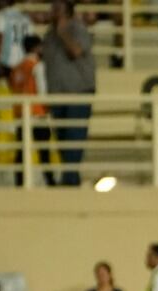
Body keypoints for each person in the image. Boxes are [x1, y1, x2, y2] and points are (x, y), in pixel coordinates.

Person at [42, 0, 94, 187]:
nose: (52, 11)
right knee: (62, 140)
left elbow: (76, 51)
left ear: (67, 12)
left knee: (74, 139)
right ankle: (70, 180)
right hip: (58, 95)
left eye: (56, 8)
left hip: (77, 94)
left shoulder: (77, 29)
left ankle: (70, 181)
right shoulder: (49, 33)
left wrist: (63, 32)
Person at [11, 34, 50, 187]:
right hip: (37, 113)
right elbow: (42, 90)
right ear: (36, 47)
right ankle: (50, 180)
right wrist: (47, 108)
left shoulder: (17, 68)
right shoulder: (37, 65)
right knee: (43, 151)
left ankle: (19, 182)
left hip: (21, 115)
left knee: (21, 152)